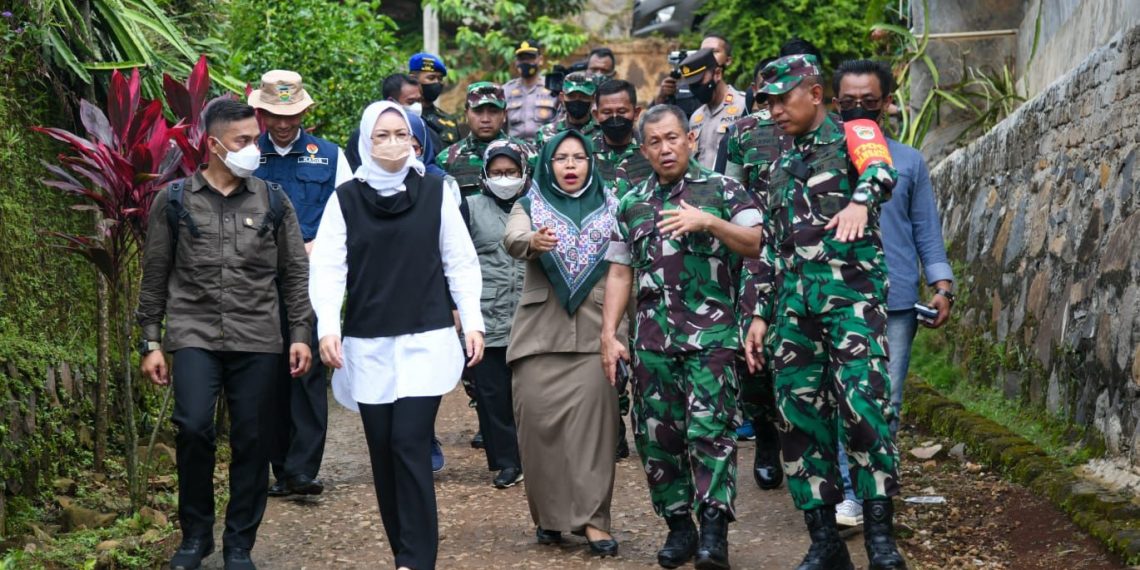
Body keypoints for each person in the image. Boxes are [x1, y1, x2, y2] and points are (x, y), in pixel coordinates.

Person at [743, 54, 905, 570]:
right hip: (794, 314)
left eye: (782, 99)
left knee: (865, 413)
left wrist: (859, 202)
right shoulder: (778, 165)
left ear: (814, 94)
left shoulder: (855, 132)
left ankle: (881, 539)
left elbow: (881, 172)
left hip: (852, 305)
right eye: (766, 102)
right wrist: (759, 315)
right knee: (798, 422)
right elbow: (769, 246)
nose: (773, 111)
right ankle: (825, 542)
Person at [137, 99, 313, 570]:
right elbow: (155, 274)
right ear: (213, 145)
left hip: (257, 336)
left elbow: (294, 273)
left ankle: (239, 543)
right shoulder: (174, 200)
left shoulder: (273, 200)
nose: (253, 148)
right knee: (193, 428)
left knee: (253, 439)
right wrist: (150, 341)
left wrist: (299, 332)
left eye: (253, 139)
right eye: (243, 141)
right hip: (193, 332)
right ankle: (195, 537)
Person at [310, 101, 485, 570]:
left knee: (409, 441)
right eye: (380, 135)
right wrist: (328, 325)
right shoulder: (344, 198)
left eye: (400, 133)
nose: (391, 142)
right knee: (383, 452)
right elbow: (327, 266)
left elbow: (460, 260)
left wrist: (472, 320)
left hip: (426, 338)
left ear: (415, 140)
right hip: (368, 342)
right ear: (365, 141)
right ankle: (403, 555)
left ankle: (418, 559)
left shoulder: (435, 192)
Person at [601, 104, 762, 570]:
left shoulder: (724, 189)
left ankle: (714, 530)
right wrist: (609, 333)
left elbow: (755, 241)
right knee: (658, 437)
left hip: (711, 339)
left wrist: (709, 222)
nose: (665, 148)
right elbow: (619, 271)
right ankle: (679, 527)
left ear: (690, 140)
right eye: (654, 141)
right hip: (653, 342)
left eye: (673, 138)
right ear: (643, 148)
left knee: (709, 432)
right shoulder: (632, 202)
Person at [831, 59, 954, 529]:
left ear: (886, 103)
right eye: (848, 101)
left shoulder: (909, 161)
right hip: (836, 295)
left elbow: (926, 230)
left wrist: (942, 285)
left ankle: (875, 488)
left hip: (897, 297)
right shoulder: (820, 158)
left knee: (888, 401)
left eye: (868, 100)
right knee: (843, 398)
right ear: (834, 101)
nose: (858, 108)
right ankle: (852, 493)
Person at [503, 129, 624, 558]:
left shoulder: (614, 207)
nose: (571, 165)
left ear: (591, 162)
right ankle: (551, 520)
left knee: (595, 435)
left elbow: (627, 266)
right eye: (561, 159)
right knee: (539, 433)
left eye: (578, 157)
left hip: (597, 336)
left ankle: (594, 521)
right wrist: (532, 241)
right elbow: (513, 237)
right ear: (548, 164)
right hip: (539, 338)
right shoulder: (529, 205)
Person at [246, 70, 351, 500]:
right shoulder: (248, 155)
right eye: (274, 115)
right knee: (267, 370)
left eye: (291, 115)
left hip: (310, 278)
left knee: (306, 373)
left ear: (305, 110)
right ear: (262, 113)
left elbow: (348, 212)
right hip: (255, 280)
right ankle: (280, 466)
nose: (284, 123)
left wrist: (320, 247)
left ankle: (303, 469)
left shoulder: (329, 156)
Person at [466, 139, 530, 489]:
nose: (504, 178)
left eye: (511, 172)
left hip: (528, 316)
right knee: (492, 395)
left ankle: (535, 456)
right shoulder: (470, 208)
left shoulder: (536, 206)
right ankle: (506, 461)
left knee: (530, 393)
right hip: (486, 316)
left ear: (524, 173)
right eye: (497, 172)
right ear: (485, 175)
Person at [438, 82, 531, 198]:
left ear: (504, 115)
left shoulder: (528, 154)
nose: (485, 119)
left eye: (493, 111)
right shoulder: (446, 159)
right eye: (478, 111)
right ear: (466, 114)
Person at [346, 74, 437, 171]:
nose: (417, 106)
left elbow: (428, 164)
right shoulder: (365, 132)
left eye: (419, 101)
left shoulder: (421, 126)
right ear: (391, 101)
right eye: (411, 101)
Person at [677, 48, 747, 170]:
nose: (696, 88)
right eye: (691, 85)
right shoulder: (696, 117)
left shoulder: (743, 106)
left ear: (718, 74)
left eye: (699, 82)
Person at [591, 79, 652, 200]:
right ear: (596, 115)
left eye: (622, 111)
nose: (614, 117)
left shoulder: (652, 150)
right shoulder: (584, 153)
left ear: (636, 113)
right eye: (607, 112)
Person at [654, 33, 735, 118]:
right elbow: (657, 119)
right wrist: (662, 97)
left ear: (728, 61)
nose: (707, 56)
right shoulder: (680, 89)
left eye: (714, 52)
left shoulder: (739, 99)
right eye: (703, 52)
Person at [504, 39, 559, 142]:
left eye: (530, 58)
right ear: (516, 62)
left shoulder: (552, 87)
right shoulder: (506, 91)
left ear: (540, 60)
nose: (525, 62)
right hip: (514, 150)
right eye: (522, 59)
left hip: (545, 149)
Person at [409, 52, 464, 146]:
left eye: (440, 79)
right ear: (413, 79)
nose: (437, 83)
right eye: (431, 78)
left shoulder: (448, 121)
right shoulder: (402, 116)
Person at [535, 72, 599, 146]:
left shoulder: (604, 133)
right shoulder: (545, 133)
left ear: (593, 99)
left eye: (583, 96)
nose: (577, 100)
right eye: (571, 96)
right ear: (562, 97)